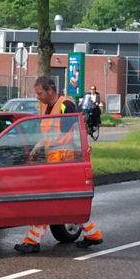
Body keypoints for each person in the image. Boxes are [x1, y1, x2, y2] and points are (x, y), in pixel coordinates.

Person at [14, 76, 103, 254]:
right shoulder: (47, 107)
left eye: (40, 93)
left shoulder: (65, 105)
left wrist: (84, 148)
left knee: (46, 201)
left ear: (50, 90)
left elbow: (77, 128)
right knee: (65, 203)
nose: (38, 97)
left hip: (64, 161)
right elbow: (49, 135)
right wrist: (36, 149)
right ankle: (93, 234)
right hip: (54, 161)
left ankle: (32, 241)